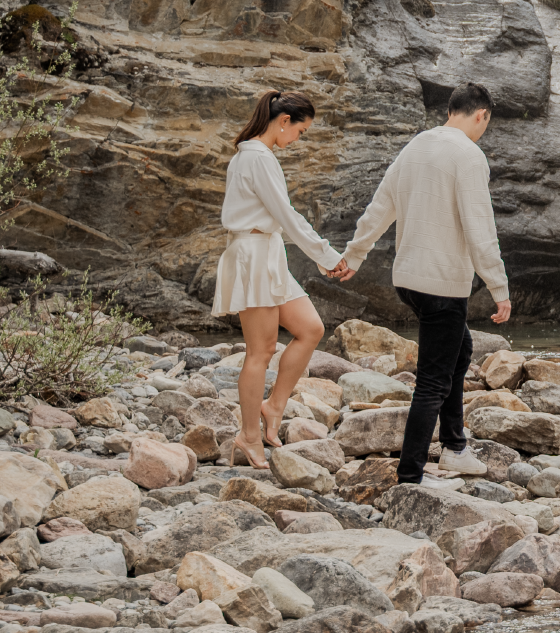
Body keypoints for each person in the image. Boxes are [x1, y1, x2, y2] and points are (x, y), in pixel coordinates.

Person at [337, 81, 511, 489]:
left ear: (451, 109)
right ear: (481, 115)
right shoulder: (469, 156)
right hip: (441, 283)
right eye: (486, 122)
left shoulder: (415, 146)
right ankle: (411, 476)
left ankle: (454, 446)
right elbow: (480, 229)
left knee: (460, 348)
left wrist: (356, 253)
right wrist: (498, 288)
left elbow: (382, 205)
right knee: (433, 379)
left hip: (408, 279)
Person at [213, 88, 350, 468]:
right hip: (254, 255)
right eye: (301, 132)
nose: (298, 140)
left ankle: (273, 406)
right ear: (284, 121)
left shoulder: (258, 156)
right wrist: (326, 255)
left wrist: (321, 258)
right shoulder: (257, 157)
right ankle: (249, 436)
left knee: (310, 328)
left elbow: (281, 218)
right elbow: (287, 215)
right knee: (261, 350)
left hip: (268, 253)